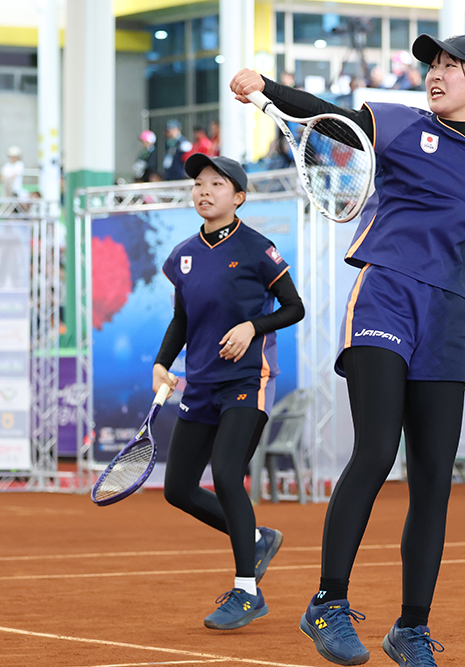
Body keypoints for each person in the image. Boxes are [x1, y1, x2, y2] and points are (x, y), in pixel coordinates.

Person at [231, 32, 465, 667]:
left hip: (448, 317)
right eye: (433, 65)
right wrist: (265, 90)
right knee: (376, 450)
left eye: (452, 67)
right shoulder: (395, 123)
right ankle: (328, 603)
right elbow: (325, 116)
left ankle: (411, 629)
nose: (437, 74)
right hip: (386, 296)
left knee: (434, 482)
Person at [155, 154, 305, 631]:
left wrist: (252, 326)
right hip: (200, 384)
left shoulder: (258, 248)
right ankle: (258, 540)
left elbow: (294, 307)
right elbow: (181, 319)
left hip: (246, 380)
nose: (204, 191)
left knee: (225, 473)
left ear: (238, 197)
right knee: (178, 490)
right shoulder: (182, 256)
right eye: (199, 183)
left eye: (216, 184)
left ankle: (247, 592)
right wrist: (161, 364)